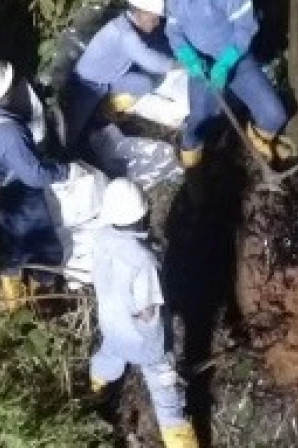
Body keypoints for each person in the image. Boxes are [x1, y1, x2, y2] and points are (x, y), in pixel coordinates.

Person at [91, 178, 198, 448]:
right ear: (142, 215)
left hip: (112, 328)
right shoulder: (143, 260)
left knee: (107, 358)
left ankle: (95, 394)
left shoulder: (101, 238)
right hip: (145, 343)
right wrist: (159, 347)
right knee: (168, 398)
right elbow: (147, 312)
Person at [0, 58, 76, 311]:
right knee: (44, 247)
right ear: (2, 93)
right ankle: (42, 296)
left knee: (12, 245)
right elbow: (34, 175)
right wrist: (65, 171)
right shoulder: (8, 133)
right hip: (21, 194)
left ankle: (11, 297)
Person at [164, 0, 293, 168]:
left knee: (274, 115)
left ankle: (256, 144)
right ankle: (192, 166)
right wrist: (188, 57)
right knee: (199, 119)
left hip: (237, 60)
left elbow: (246, 25)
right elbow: (174, 32)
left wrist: (226, 61)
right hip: (203, 65)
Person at [66, 0, 177, 149]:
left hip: (111, 78)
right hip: (88, 84)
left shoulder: (128, 23)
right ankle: (67, 153)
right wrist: (180, 65)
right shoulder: (126, 35)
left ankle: (108, 107)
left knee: (145, 83)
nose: (156, 24)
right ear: (141, 13)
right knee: (74, 130)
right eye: (154, 18)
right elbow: (151, 61)